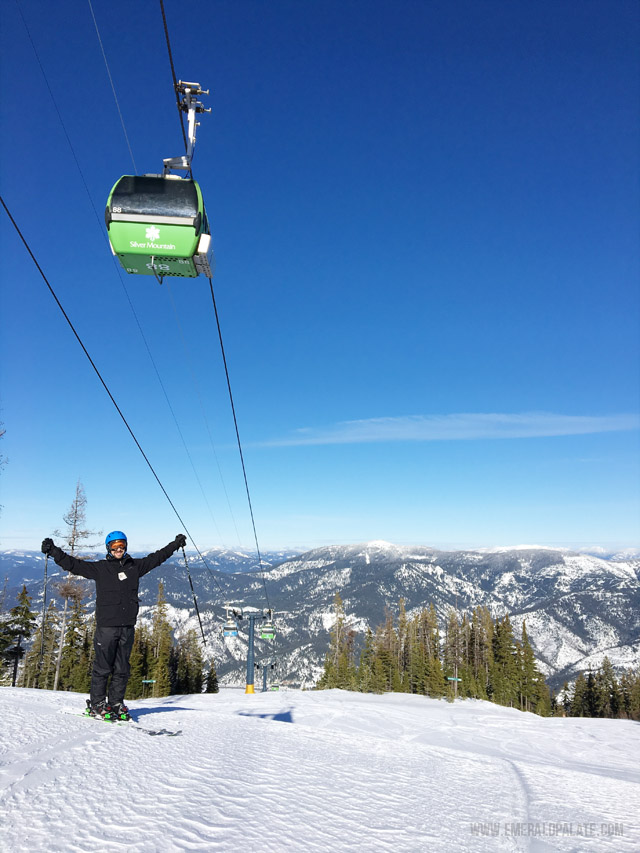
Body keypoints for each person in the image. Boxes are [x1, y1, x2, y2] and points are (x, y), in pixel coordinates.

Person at [41, 530, 187, 721]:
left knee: (122, 668)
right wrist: (53, 551)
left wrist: (175, 545)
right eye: (114, 546)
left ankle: (116, 702)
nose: (119, 549)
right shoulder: (101, 569)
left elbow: (157, 557)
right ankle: (97, 704)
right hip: (107, 628)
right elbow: (74, 565)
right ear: (108, 548)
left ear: (125, 546)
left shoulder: (135, 566)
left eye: (122, 545)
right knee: (102, 667)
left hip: (127, 627)